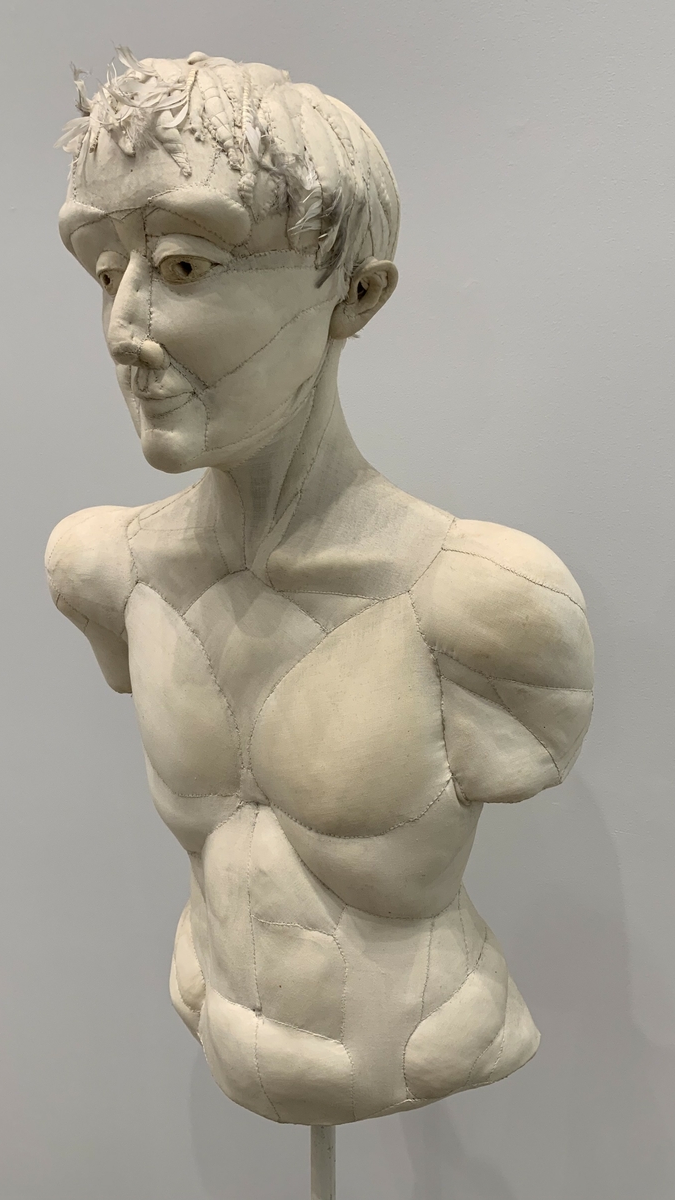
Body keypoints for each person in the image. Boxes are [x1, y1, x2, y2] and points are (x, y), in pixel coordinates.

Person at [46, 48, 594, 1125]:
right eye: (106, 272)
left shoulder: (485, 604)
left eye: (186, 266)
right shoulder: (105, 567)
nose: (123, 328)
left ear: (356, 293)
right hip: (212, 1010)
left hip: (426, 1043)